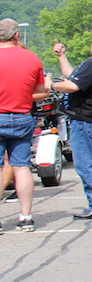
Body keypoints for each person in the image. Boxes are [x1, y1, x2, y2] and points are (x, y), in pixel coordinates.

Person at [53, 29, 92, 220]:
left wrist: (49, 84)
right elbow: (74, 76)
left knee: (84, 163)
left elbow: (72, 85)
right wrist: (61, 56)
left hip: (85, 119)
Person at [0, 19, 52, 232]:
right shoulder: (31, 58)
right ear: (16, 36)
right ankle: (26, 217)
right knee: (21, 167)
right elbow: (39, 91)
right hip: (22, 116)